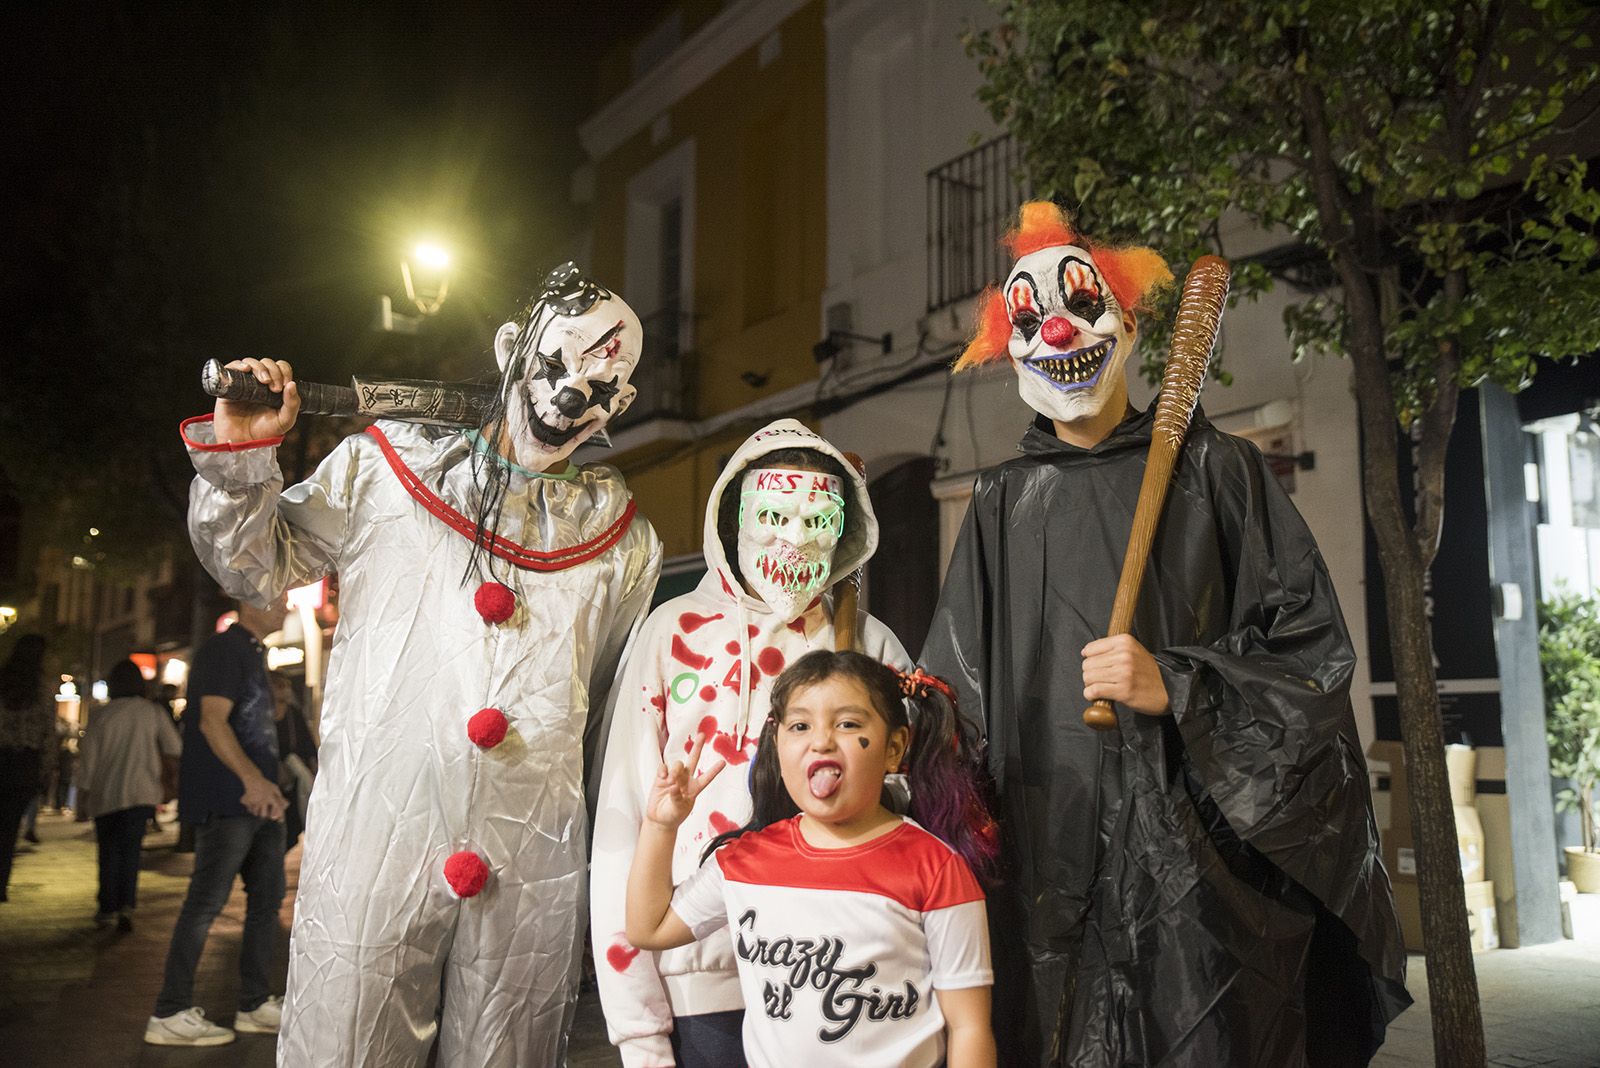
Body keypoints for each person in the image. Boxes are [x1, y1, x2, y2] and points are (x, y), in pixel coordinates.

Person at [919, 201, 1410, 1066]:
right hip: (1051, 863)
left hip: (1201, 867)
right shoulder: (1000, 504)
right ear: (1009, 348)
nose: (1060, 328)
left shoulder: (1218, 472)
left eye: (1079, 304)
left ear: (1127, 319)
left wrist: (1179, 682)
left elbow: (1310, 650)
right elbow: (955, 700)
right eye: (1031, 318)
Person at [181, 263, 662, 1066]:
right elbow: (256, 567)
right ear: (513, 346)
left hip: (531, 864)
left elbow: (609, 721)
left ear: (624, 405)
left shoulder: (623, 542)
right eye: (560, 360)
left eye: (603, 380)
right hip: (377, 844)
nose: (575, 391)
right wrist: (240, 462)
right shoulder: (383, 471)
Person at [591, 419, 911, 1067]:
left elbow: (916, 819)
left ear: (844, 529)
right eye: (773, 513)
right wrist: (639, 1033)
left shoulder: (872, 650)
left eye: (817, 519)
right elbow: (624, 825)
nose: (794, 538)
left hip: (842, 981)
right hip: (703, 991)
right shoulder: (672, 637)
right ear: (734, 518)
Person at [624, 650, 997, 1068]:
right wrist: (661, 826)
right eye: (800, 726)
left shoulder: (937, 868)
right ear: (778, 743)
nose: (821, 741)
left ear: (894, 748)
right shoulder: (743, 861)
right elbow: (648, 928)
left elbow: (969, 1027)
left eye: (848, 724)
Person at [144, 597, 290, 1047]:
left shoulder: (250, 651)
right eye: (278, 597)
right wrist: (251, 780)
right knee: (205, 903)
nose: (286, 605)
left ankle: (254, 1003)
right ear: (251, 601)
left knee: (267, 900)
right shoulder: (225, 648)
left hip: (257, 799)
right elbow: (211, 722)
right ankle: (169, 1012)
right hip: (231, 799)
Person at [78, 659, 182, 931]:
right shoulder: (151, 712)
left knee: (108, 851)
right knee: (131, 851)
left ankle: (107, 906)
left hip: (106, 794)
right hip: (141, 792)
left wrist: (83, 793)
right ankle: (126, 906)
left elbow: (89, 758)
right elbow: (174, 745)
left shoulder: (101, 714)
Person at [0, 634, 53, 902]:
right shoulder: (41, 690)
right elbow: (48, 735)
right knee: (10, 828)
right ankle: (1, 883)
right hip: (25, 765)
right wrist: (45, 772)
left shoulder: (2, 681)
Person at [267, 671, 316, 852]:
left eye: (287, 686)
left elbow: (307, 742)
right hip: (267, 775)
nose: (285, 691)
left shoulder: (293, 713)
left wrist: (312, 765)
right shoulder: (259, 712)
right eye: (280, 686)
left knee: (291, 826)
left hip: (292, 776)